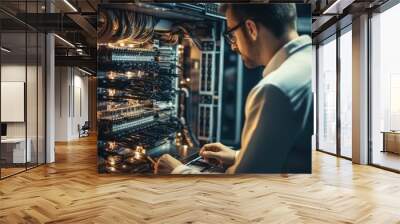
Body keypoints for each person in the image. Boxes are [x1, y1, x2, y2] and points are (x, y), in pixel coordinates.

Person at [154, 3, 313, 174]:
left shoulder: (273, 89)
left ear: (251, 29)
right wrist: (240, 156)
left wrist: (176, 171)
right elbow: (295, 159)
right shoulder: (308, 64)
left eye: (232, 34)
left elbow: (243, 188)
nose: (233, 45)